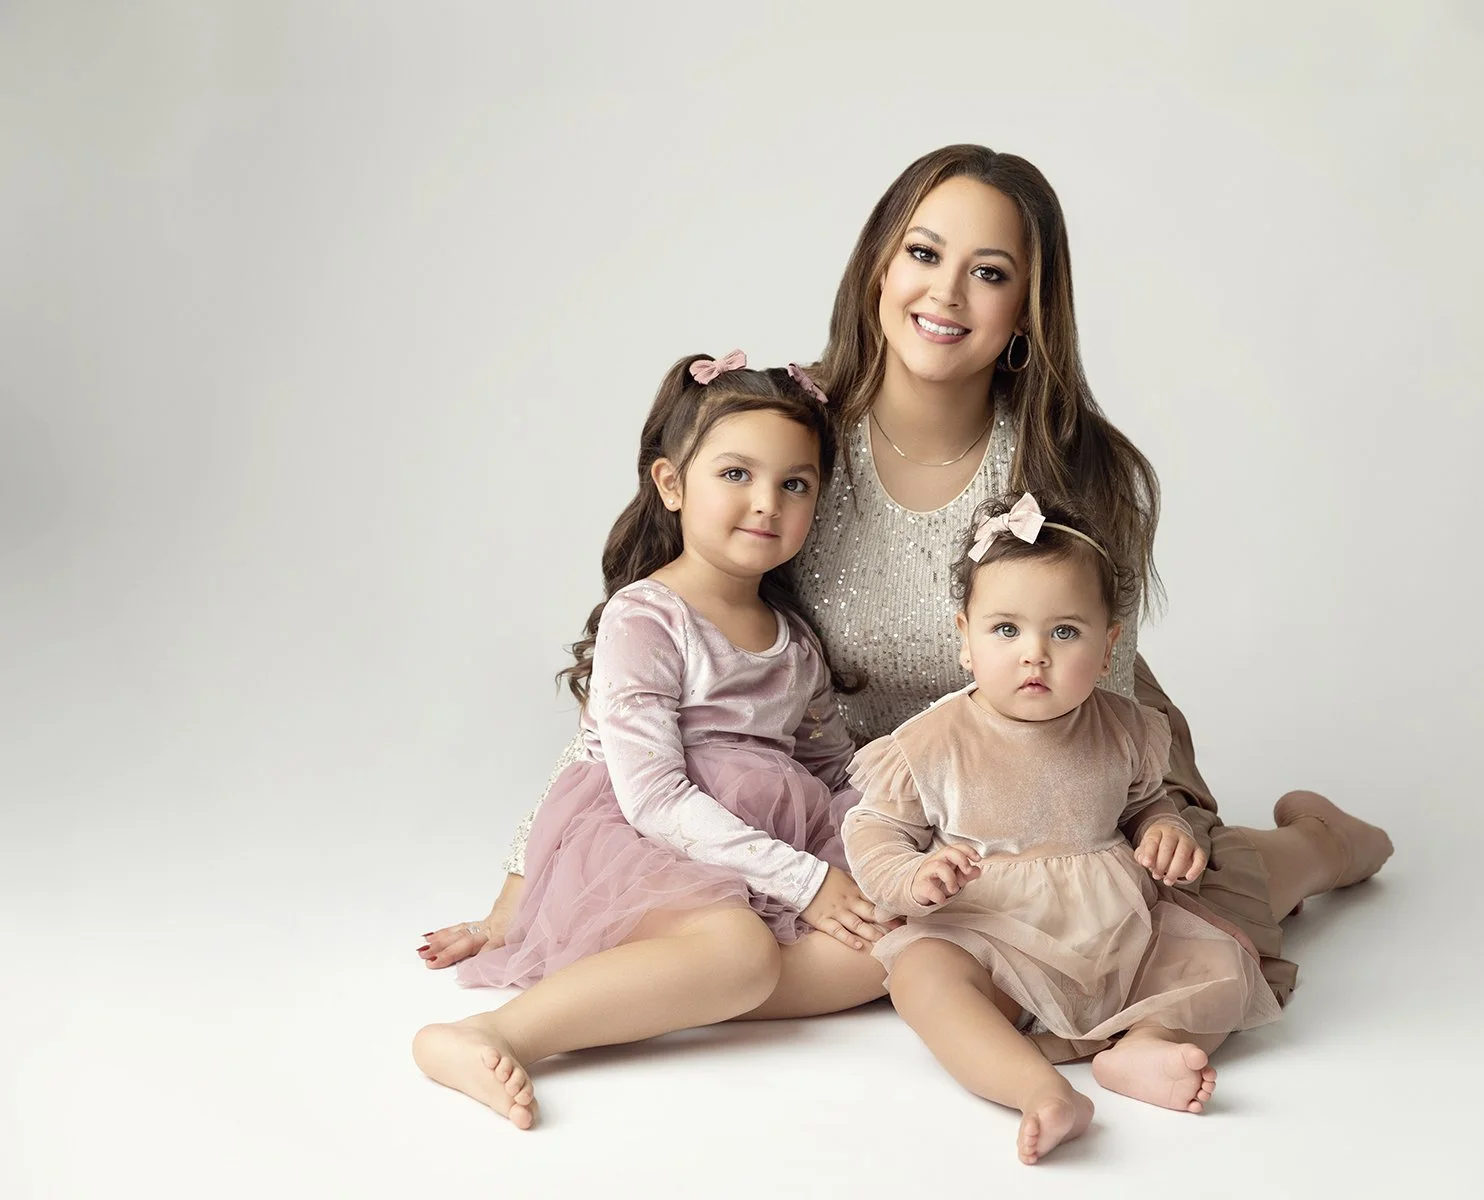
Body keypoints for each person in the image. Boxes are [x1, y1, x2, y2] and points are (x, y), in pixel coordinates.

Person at [421, 143, 1393, 1056]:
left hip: (1051, 757)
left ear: (1028, 308)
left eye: (991, 271)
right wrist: (524, 880)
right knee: (911, 934)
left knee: (1158, 923)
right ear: (879, 268)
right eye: (925, 253)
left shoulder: (1075, 469)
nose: (947, 291)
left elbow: (1111, 699)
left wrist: (1155, 822)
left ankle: (1315, 847)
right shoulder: (792, 444)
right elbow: (659, 658)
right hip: (855, 795)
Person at [412, 353, 891, 1128]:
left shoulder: (796, 641)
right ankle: (487, 1034)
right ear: (672, 484)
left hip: (760, 844)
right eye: (735, 474)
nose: (765, 502)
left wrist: (910, 824)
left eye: (794, 484)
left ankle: (657, 992)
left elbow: (832, 766)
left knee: (884, 945)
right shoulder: (647, 616)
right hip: (651, 843)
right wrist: (806, 883)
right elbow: (648, 793)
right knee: (739, 950)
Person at [844, 492, 1283, 1164]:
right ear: (963, 637)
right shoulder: (931, 744)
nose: (1034, 656)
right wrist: (912, 876)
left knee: (1217, 962)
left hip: (1117, 930)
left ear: (1108, 646)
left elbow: (1141, 804)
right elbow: (873, 829)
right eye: (1005, 630)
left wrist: (1162, 828)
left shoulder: (1125, 729)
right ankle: (1038, 1090)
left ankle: (1144, 1047)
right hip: (992, 933)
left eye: (1065, 633)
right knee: (923, 976)